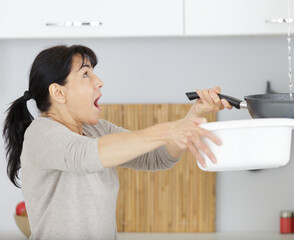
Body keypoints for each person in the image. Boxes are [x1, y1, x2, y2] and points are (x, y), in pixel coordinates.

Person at [2, 45, 232, 240]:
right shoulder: (41, 133)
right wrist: (165, 130)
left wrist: (193, 115)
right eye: (85, 74)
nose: (99, 81)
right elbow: (86, 156)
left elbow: (158, 157)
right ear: (58, 93)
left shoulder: (96, 129)